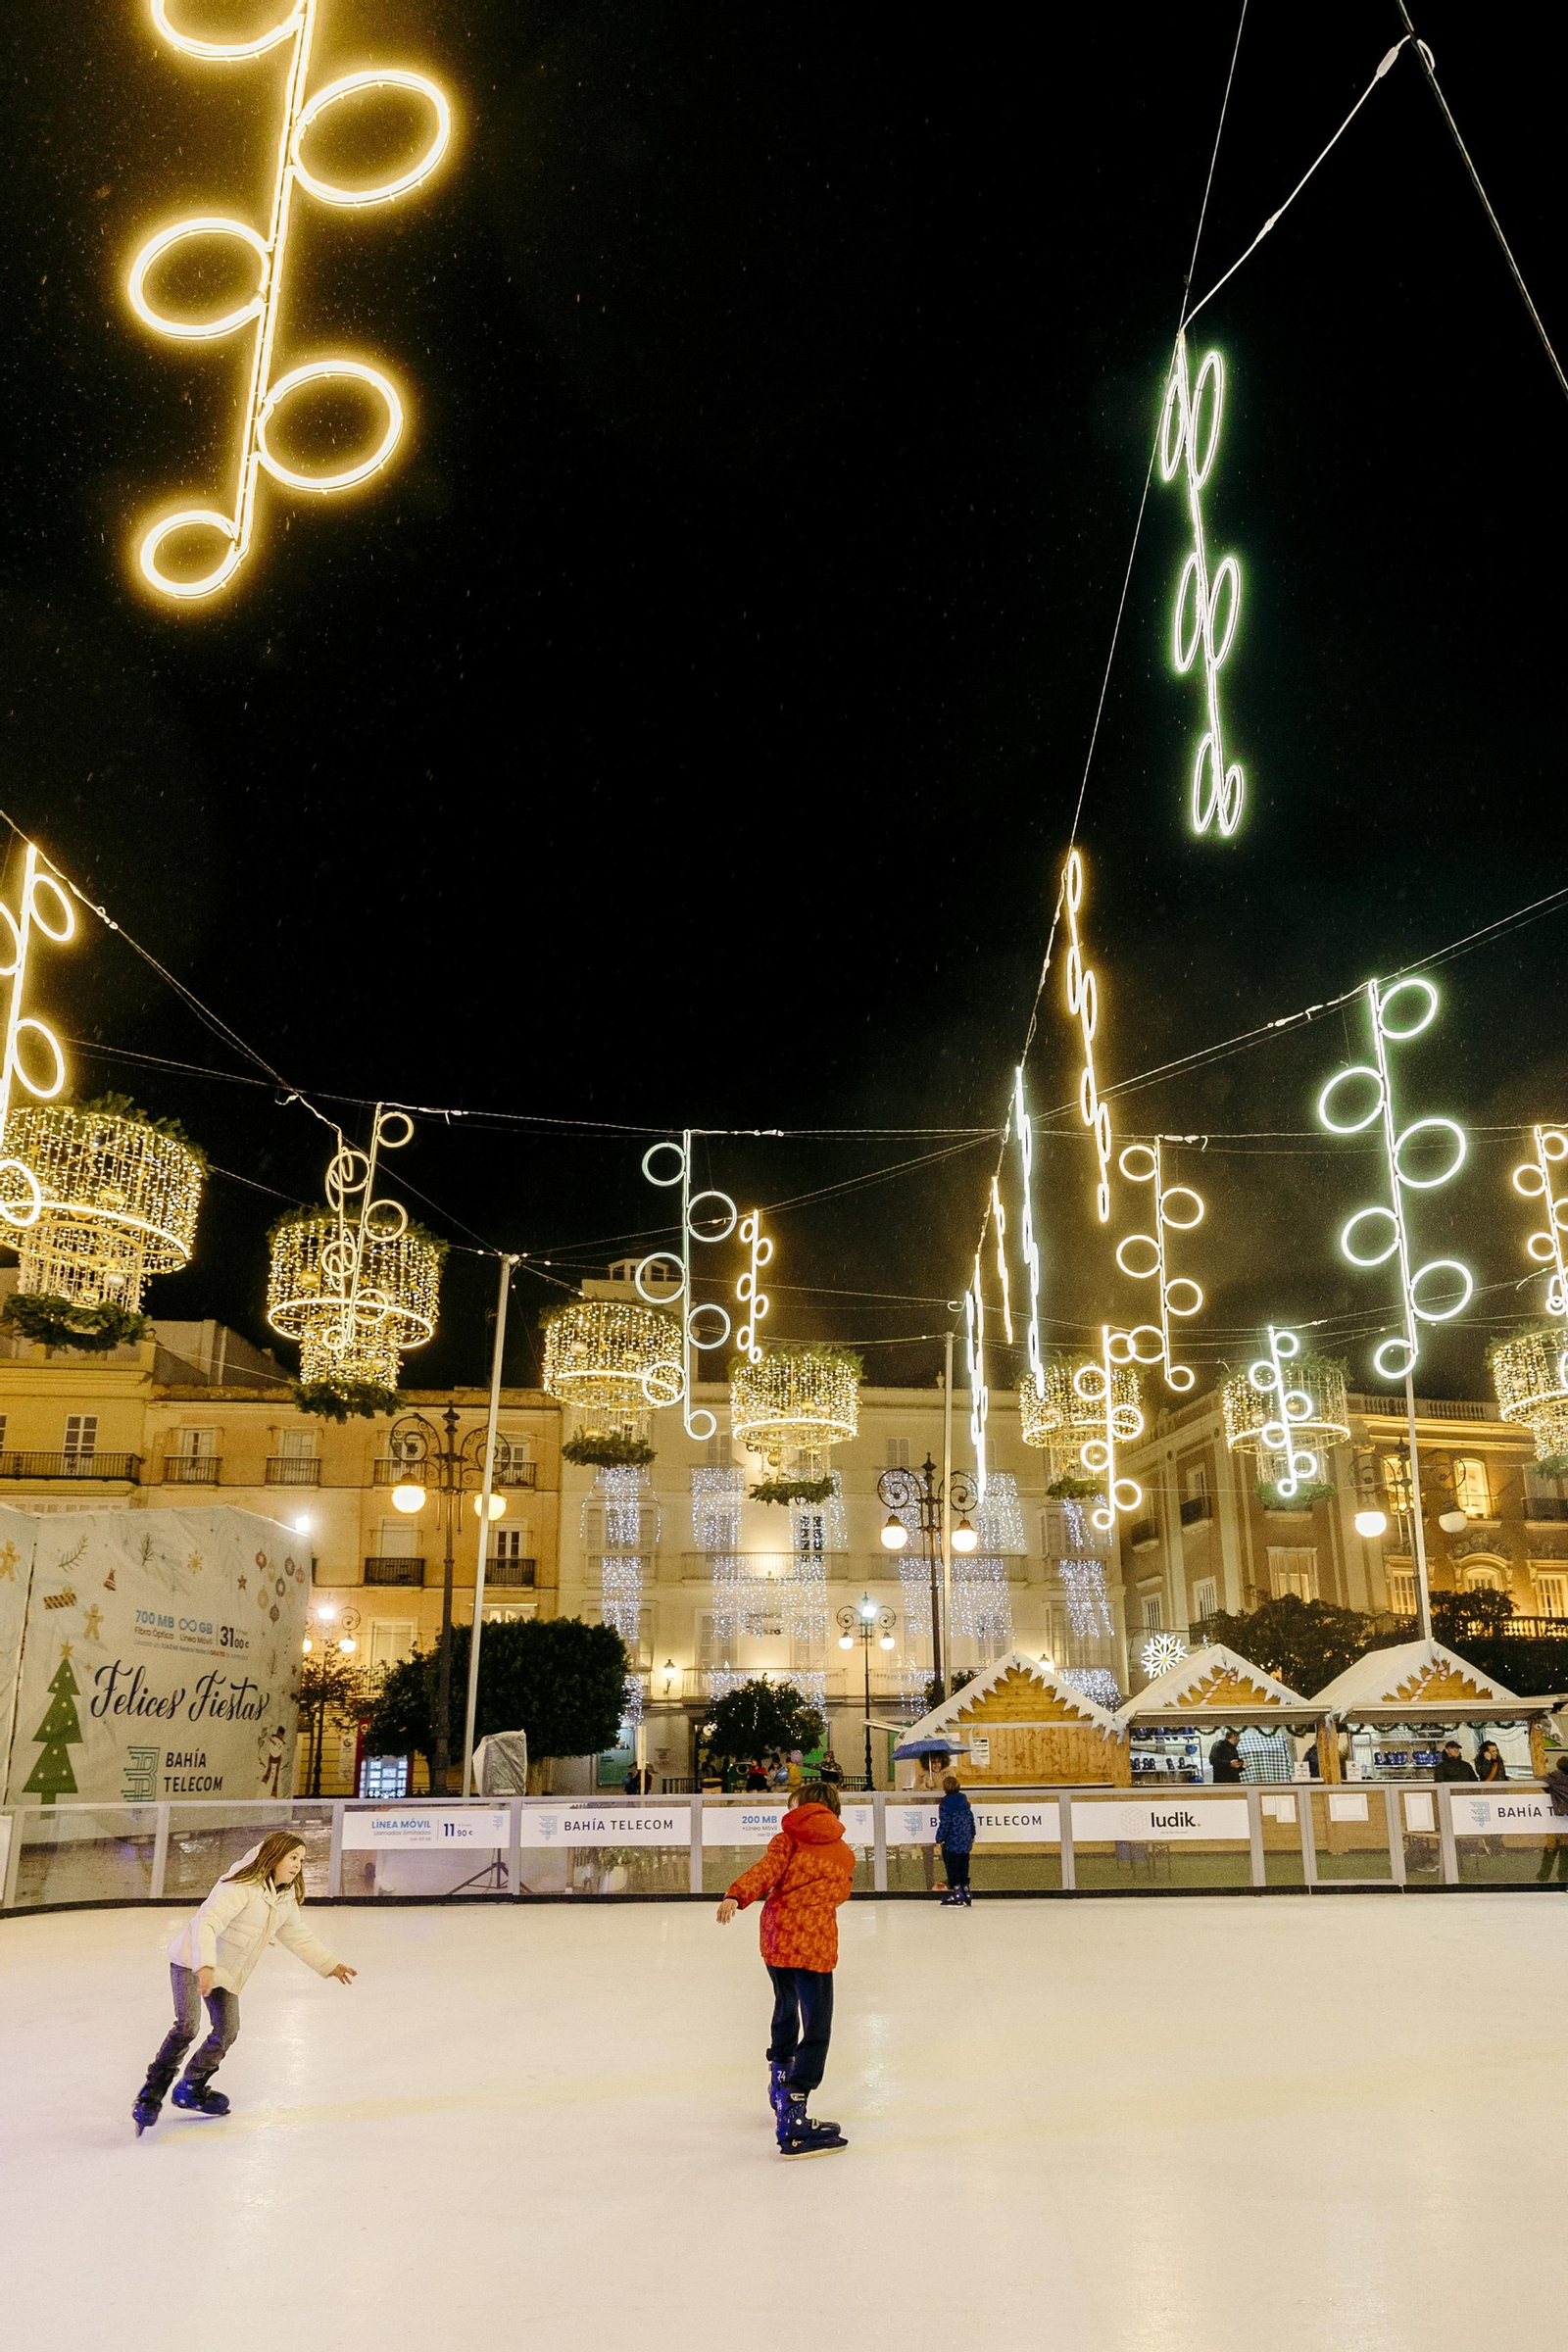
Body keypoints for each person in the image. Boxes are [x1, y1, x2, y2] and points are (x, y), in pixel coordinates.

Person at [132, 1832, 355, 2134]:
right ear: (274, 1856)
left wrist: (330, 1964)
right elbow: (206, 1923)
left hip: (224, 1970)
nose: (298, 1865)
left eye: (301, 1860)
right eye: (293, 1858)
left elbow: (296, 1934)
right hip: (191, 1959)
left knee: (227, 2029)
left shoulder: (284, 1895)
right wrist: (205, 1964)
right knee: (188, 2026)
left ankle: (191, 2087)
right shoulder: (241, 1885)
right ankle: (151, 2093)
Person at [716, 1782, 855, 2158]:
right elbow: (841, 1893)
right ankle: (795, 2115)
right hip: (815, 1943)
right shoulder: (843, 1853)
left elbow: (766, 1872)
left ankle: (780, 2081)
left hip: (777, 1936)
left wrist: (736, 1894)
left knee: (785, 2003)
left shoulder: (786, 1840)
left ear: (804, 1807)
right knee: (817, 2024)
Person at [936, 1772, 976, 1907]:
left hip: (952, 1842)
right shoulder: (964, 1801)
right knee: (964, 1866)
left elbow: (945, 1823)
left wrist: (939, 1838)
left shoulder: (946, 1803)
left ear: (945, 1788)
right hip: (965, 1841)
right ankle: (967, 1892)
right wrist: (972, 1835)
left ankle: (957, 1893)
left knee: (952, 1868)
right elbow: (971, 1819)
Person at [1539, 1753, 1568, 1885]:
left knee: (1552, 1847)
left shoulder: (1554, 1778)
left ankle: (1543, 1876)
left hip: (1557, 1815)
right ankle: (1563, 1877)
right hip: (1565, 1818)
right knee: (1565, 1850)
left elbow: (1541, 1781)